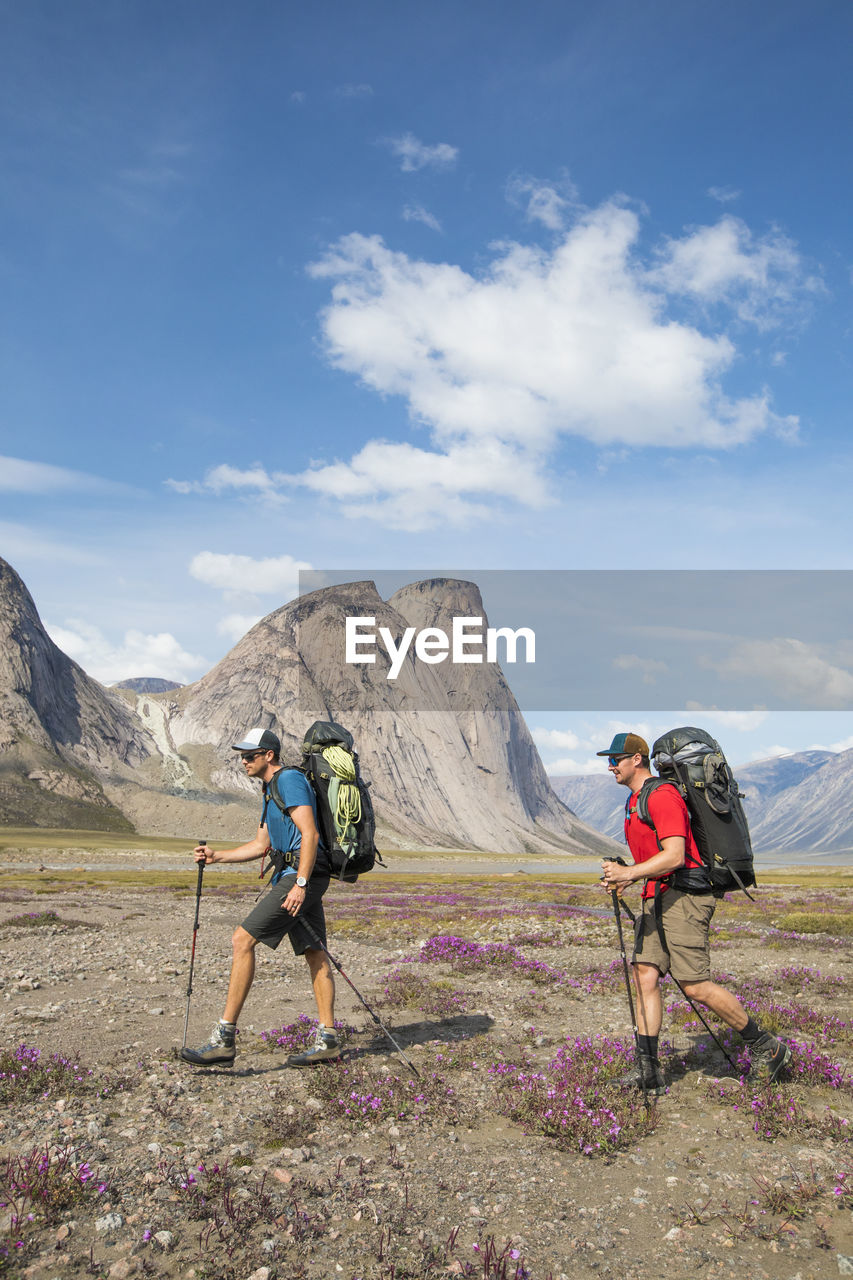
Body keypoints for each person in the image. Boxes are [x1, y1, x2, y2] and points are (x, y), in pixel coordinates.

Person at [598, 732, 792, 1094]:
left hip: (685, 897)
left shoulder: (663, 796)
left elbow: (674, 855)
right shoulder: (635, 801)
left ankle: (767, 1047)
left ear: (637, 760)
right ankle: (648, 1070)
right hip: (658, 895)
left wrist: (629, 873)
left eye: (615, 759)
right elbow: (652, 859)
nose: (610, 766)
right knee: (645, 976)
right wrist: (628, 876)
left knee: (694, 984)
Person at [180, 727, 340, 1068]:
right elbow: (260, 845)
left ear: (269, 755)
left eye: (250, 756)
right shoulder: (270, 790)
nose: (244, 761)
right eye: (242, 756)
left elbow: (309, 834)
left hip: (301, 877)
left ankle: (224, 1039)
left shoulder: (289, 781)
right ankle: (328, 1039)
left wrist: (299, 883)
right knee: (314, 952)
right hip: (300, 876)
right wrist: (216, 856)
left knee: (242, 940)